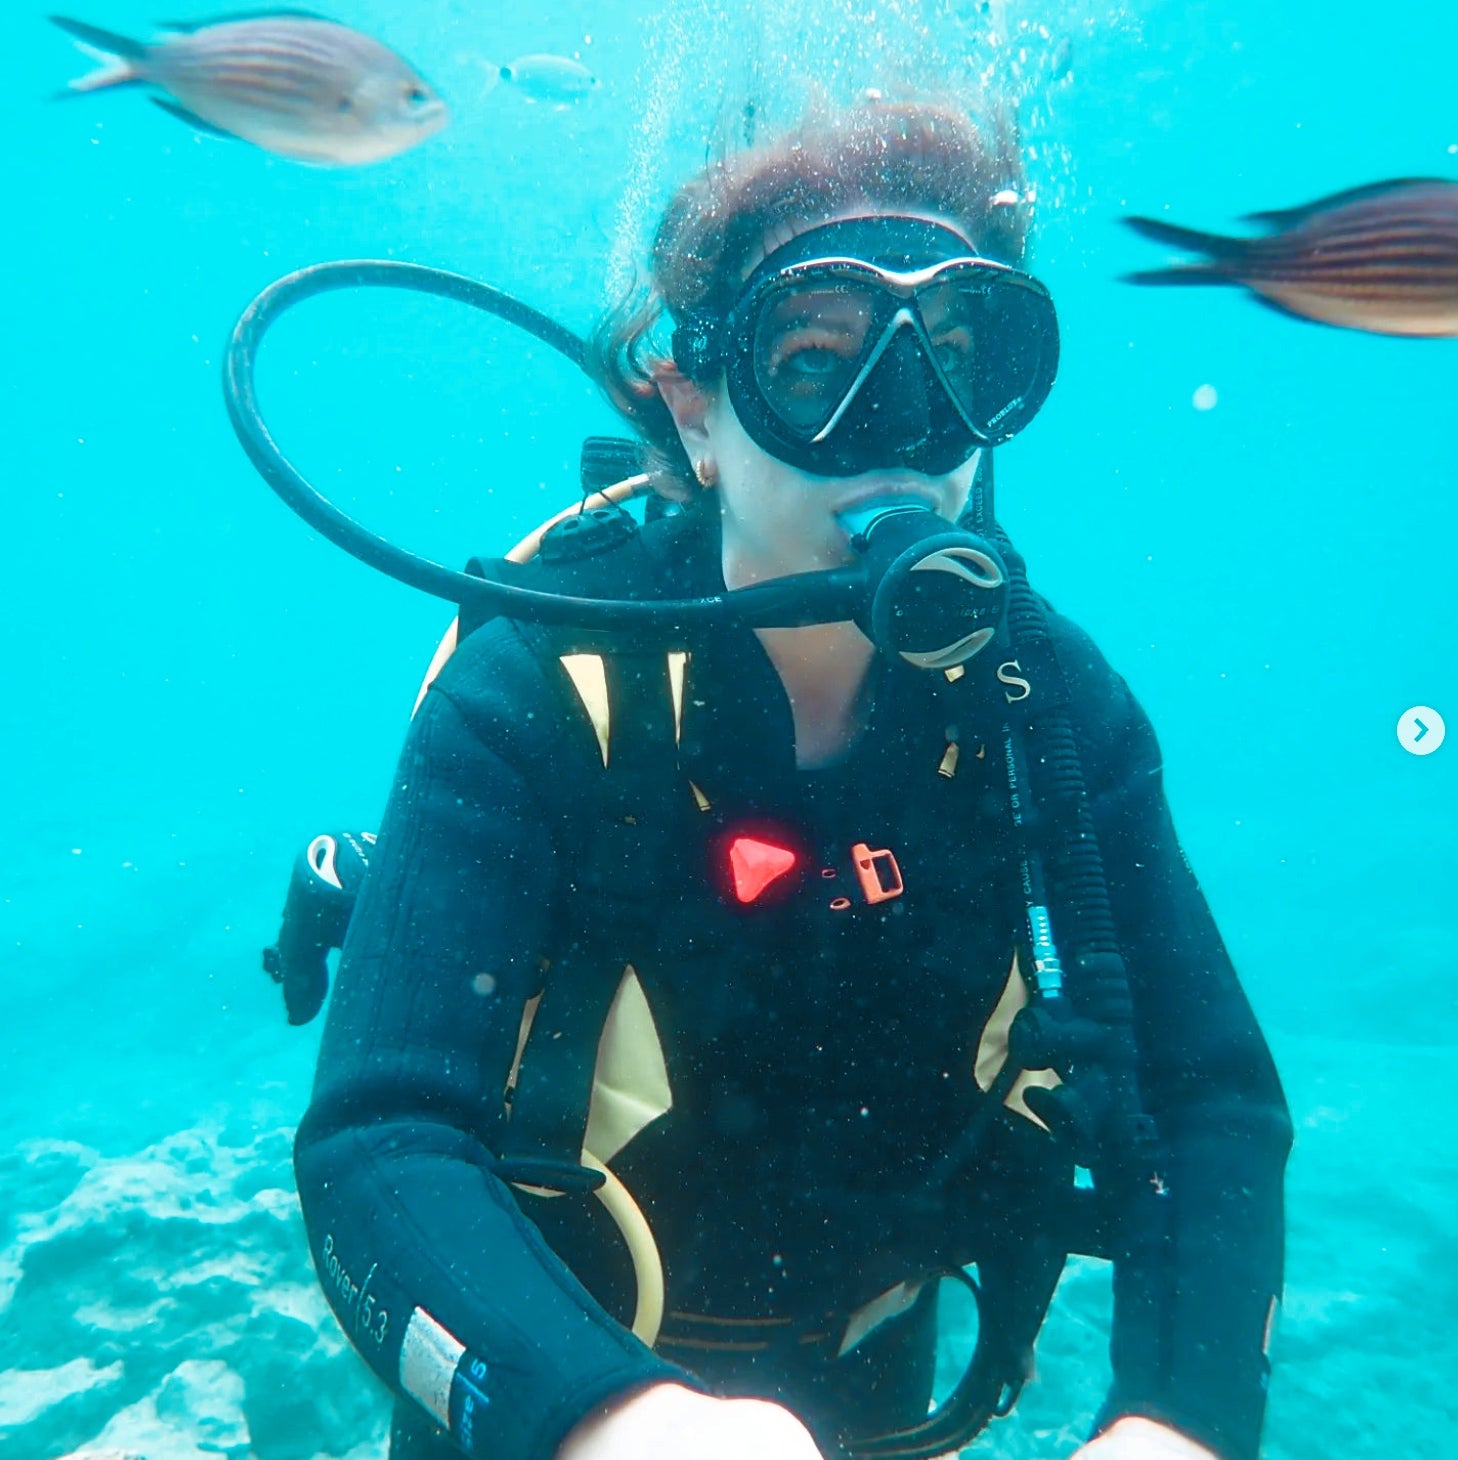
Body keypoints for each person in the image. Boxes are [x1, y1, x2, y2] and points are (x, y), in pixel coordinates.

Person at [292, 97, 1292, 1460]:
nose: (901, 425)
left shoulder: (1043, 706)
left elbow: (1207, 1100)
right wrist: (606, 1422)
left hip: (879, 1376)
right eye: (814, 362)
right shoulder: (538, 688)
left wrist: (1179, 1421)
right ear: (694, 413)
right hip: (554, 1390)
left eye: (953, 356)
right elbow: (378, 1141)